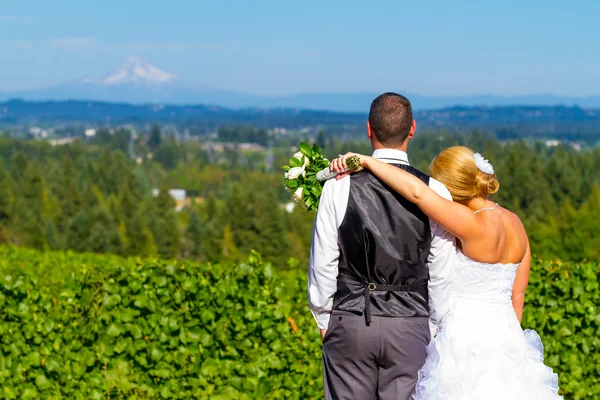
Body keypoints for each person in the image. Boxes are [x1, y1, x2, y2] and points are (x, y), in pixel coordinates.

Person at [330, 146, 562, 399]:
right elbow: (518, 294)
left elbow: (417, 193)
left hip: (463, 338)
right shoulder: (516, 223)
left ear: (450, 187)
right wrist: (507, 344)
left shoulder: (471, 222)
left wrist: (368, 162)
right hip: (508, 339)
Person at [308, 92, 456, 400]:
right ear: (412, 129)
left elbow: (323, 259)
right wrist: (433, 326)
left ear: (369, 129)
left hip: (349, 319)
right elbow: (441, 269)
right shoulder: (435, 191)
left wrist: (324, 317)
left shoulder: (338, 184)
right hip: (411, 324)